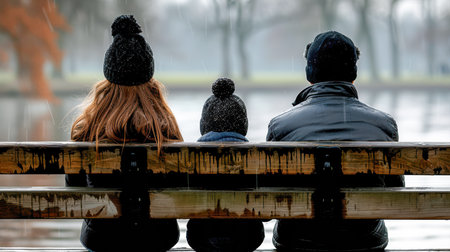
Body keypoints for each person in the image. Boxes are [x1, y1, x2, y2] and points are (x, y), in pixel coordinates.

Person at [267, 31, 404, 251]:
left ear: (310, 74)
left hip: (298, 239)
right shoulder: (384, 125)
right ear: (353, 74)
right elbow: (394, 192)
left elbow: (271, 196)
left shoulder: (280, 126)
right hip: (362, 239)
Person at [66, 15, 183, 252]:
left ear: (108, 80)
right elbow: (179, 188)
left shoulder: (87, 129)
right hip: (158, 238)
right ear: (149, 79)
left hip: (102, 239)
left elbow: (74, 188)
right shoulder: (164, 128)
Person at [186, 77, 265, 252]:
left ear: (204, 125)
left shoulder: (190, 157)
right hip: (249, 237)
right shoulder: (257, 157)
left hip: (200, 236)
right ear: (243, 124)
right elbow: (266, 215)